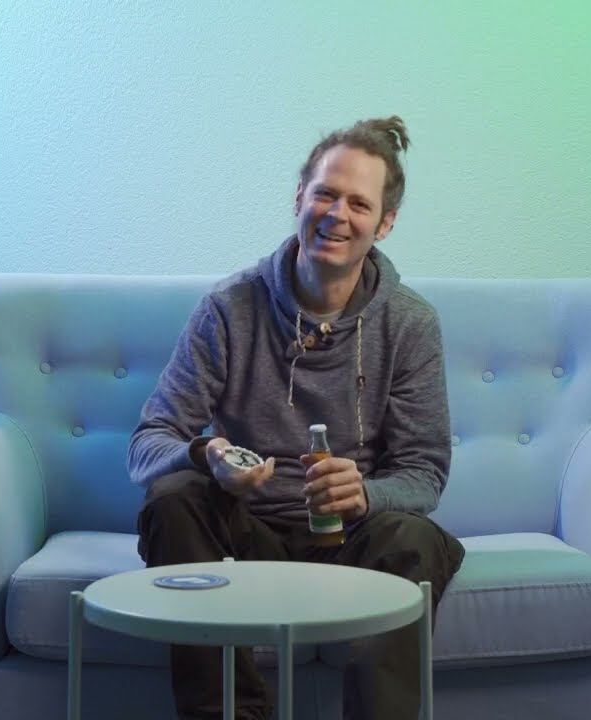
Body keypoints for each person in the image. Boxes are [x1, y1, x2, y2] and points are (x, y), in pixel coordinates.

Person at [128, 115, 465, 720]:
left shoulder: (410, 324)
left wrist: (364, 493)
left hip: (349, 540)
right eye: (325, 194)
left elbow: (425, 474)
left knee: (414, 538)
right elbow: (150, 440)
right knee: (173, 497)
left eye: (359, 203)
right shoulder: (228, 309)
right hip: (245, 533)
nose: (337, 214)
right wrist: (207, 455)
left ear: (385, 223)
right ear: (299, 198)